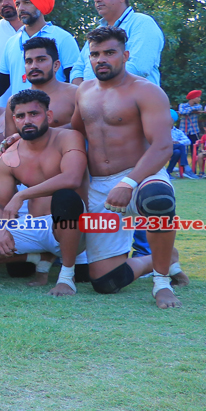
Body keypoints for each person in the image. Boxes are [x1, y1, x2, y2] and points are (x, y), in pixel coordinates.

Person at [72, 26, 183, 308]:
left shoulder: (147, 91)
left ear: (125, 55)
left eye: (109, 52)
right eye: (95, 54)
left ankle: (161, 282)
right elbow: (72, 132)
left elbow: (162, 146)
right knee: (105, 282)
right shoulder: (83, 91)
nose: (101, 59)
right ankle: (160, 258)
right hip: (99, 185)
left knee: (158, 199)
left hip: (140, 176)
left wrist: (129, 183)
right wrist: (23, 137)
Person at [0, 89, 88, 294]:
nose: (27, 120)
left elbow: (72, 178)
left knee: (65, 197)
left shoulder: (69, 137)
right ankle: (38, 257)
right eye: (20, 116)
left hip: (69, 226)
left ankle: (66, 277)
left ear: (48, 116)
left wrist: (22, 195)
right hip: (33, 225)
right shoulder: (9, 156)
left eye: (34, 114)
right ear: (14, 120)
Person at [0, 0, 80, 100]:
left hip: (54, 110)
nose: (21, 8)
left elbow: (74, 79)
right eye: (18, 4)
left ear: (40, 3)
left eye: (27, 2)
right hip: (20, 110)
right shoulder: (12, 42)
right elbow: (1, 83)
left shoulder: (63, 38)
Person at [72, 0, 164, 86]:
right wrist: (85, 92)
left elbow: (138, 68)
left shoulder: (142, 23)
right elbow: (77, 70)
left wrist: (95, 89)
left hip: (134, 97)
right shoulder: (98, 30)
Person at [3, 36, 77, 136]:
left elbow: (85, 129)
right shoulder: (14, 101)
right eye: (29, 61)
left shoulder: (75, 95)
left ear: (56, 65)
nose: (33, 66)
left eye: (41, 60)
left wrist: (43, 134)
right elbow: (10, 141)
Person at [167, 111, 197, 180]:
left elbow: (188, 141)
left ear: (173, 121)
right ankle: (186, 167)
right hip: (165, 148)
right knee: (181, 146)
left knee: (177, 152)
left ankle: (168, 172)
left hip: (174, 149)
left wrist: (178, 142)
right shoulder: (162, 130)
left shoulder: (178, 131)